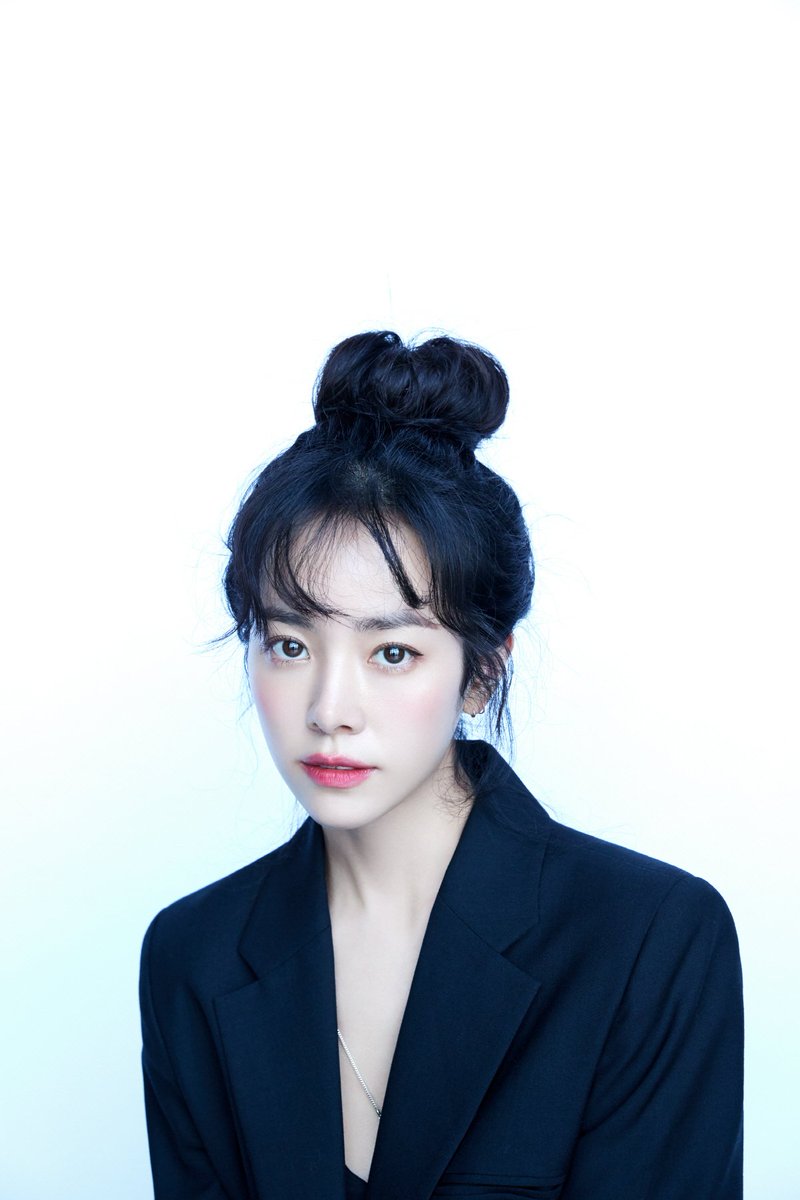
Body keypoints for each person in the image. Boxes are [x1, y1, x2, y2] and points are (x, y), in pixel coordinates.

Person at [139, 331, 744, 1200]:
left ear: (482, 672)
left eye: (392, 652)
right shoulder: (194, 956)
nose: (329, 709)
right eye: (289, 644)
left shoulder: (647, 942)